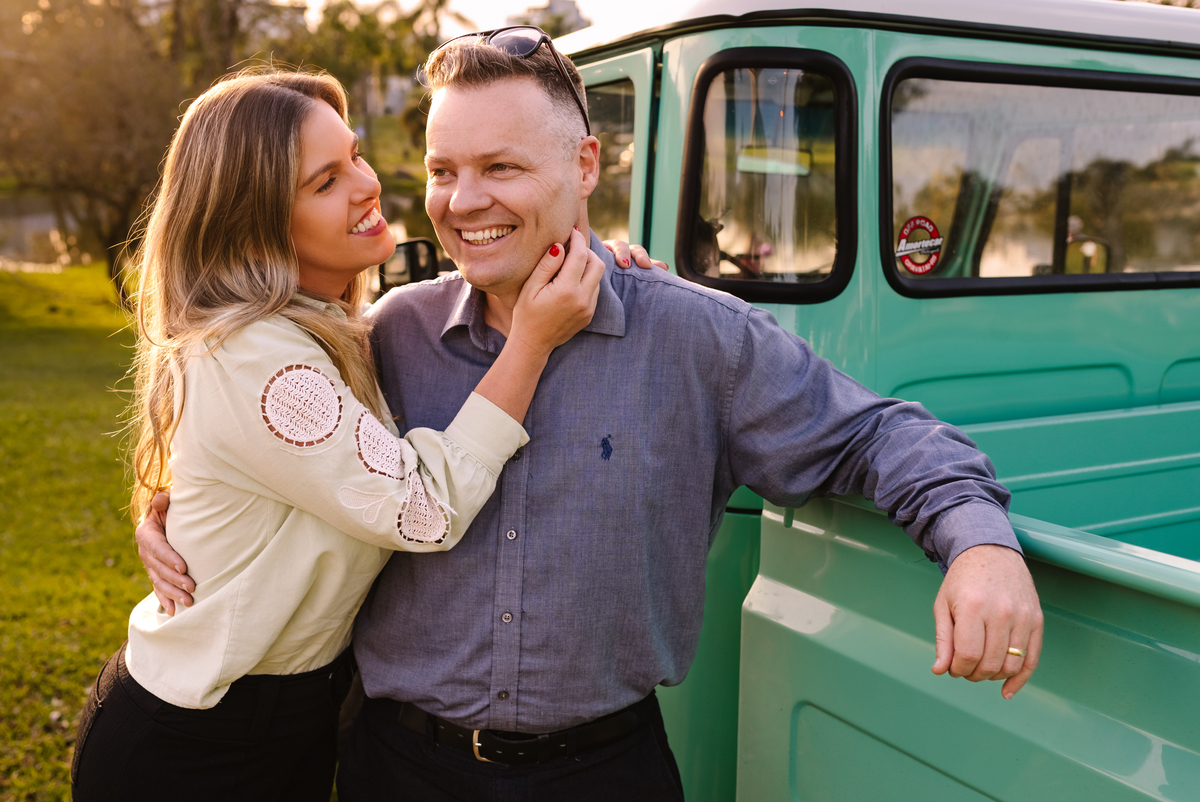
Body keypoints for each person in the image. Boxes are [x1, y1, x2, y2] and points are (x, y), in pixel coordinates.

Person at [139, 29, 1044, 802]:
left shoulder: (698, 337)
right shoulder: (385, 335)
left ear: (584, 166)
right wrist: (171, 508)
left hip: (604, 773)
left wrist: (979, 541)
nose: (462, 202)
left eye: (501, 168)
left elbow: (873, 434)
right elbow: (255, 437)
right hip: (392, 764)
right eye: (444, 171)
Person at [70, 67, 623, 802]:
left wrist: (604, 256)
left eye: (355, 155)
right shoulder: (259, 359)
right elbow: (422, 511)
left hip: (289, 723)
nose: (367, 185)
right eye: (326, 181)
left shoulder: (323, 331)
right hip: (195, 748)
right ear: (257, 220)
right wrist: (531, 343)